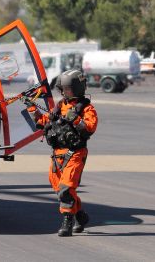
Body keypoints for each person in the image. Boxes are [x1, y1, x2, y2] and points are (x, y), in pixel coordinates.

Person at [29, 69, 98, 237]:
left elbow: (90, 128)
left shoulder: (86, 108)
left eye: (67, 89)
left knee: (66, 188)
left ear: (77, 88)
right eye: (62, 89)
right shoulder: (60, 106)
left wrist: (76, 119)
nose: (63, 92)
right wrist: (31, 107)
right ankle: (80, 215)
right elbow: (43, 122)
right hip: (57, 154)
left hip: (75, 153)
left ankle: (67, 220)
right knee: (58, 186)